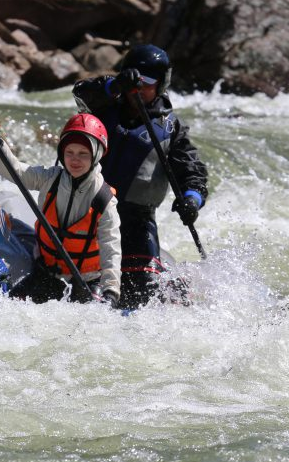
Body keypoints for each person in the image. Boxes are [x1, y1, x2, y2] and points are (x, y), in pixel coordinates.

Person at [72, 44, 208, 309]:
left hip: (135, 220)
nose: (139, 90)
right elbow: (81, 92)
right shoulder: (103, 102)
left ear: (160, 85)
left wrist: (192, 200)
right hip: (86, 209)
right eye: (136, 82)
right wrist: (116, 85)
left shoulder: (170, 128)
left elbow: (192, 172)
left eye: (147, 84)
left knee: (141, 299)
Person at [0, 114, 121, 307]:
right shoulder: (50, 178)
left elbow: (111, 246)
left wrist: (110, 290)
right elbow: (16, 171)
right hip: (47, 272)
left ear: (96, 155)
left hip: (86, 281)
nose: (75, 160)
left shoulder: (103, 199)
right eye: (70, 153)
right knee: (5, 306)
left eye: (83, 154)